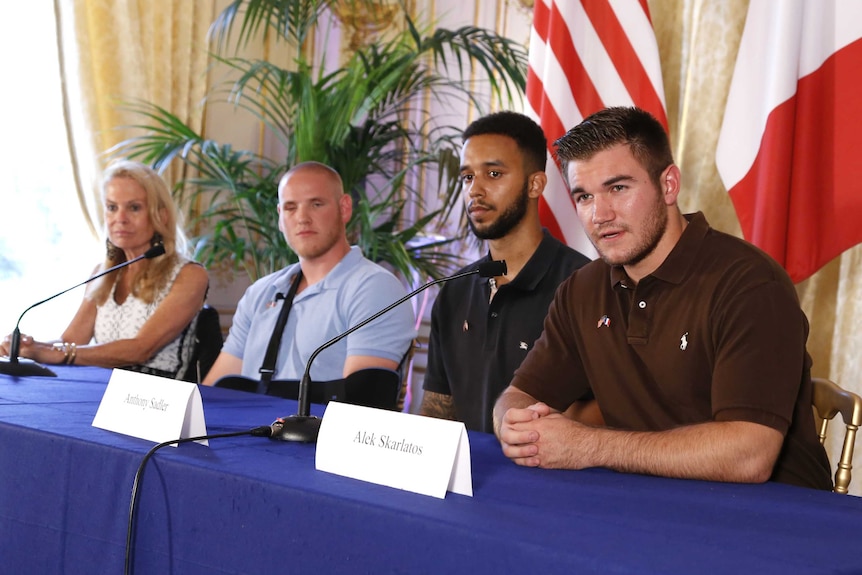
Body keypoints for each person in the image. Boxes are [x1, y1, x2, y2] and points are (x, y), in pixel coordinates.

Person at [493, 106, 833, 490]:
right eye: (584, 196)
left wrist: (588, 445)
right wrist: (514, 424)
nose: (599, 214)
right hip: (646, 503)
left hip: (773, 521)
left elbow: (751, 455)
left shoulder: (751, 284)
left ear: (669, 184)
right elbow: (520, 394)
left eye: (617, 188)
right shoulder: (581, 290)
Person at [419, 111, 592, 433]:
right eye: (468, 177)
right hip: (463, 479)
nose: (474, 190)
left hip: (548, 476)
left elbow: (609, 413)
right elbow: (437, 410)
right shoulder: (454, 291)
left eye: (494, 174)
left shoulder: (585, 286)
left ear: (535, 184)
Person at [202, 161, 415, 387]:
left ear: (344, 208)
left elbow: (357, 404)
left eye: (316, 204)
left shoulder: (375, 288)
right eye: (290, 208)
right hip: (247, 422)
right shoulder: (260, 292)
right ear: (280, 217)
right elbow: (215, 393)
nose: (302, 218)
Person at [1, 160, 210, 379]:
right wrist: (27, 348)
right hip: (102, 390)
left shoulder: (189, 275)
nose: (120, 219)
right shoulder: (103, 273)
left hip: (157, 400)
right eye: (112, 207)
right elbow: (71, 341)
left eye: (134, 208)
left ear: (161, 215)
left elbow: (139, 349)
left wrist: (55, 353)